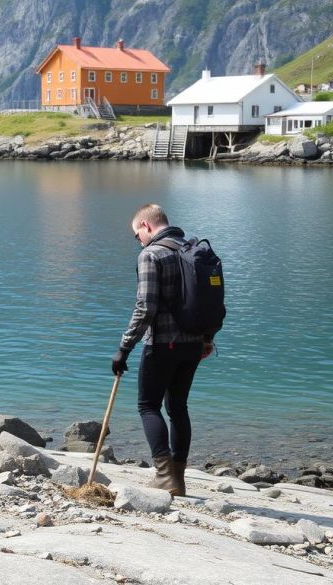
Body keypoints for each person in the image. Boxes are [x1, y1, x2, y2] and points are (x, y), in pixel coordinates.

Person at [112, 204, 215, 496]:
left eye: (136, 235)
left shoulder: (151, 254)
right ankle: (178, 479)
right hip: (194, 343)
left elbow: (145, 307)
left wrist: (124, 348)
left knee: (148, 406)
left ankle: (164, 474)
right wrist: (207, 338)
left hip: (162, 343)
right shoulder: (195, 250)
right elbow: (208, 301)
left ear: (146, 226)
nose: (138, 241)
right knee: (178, 407)